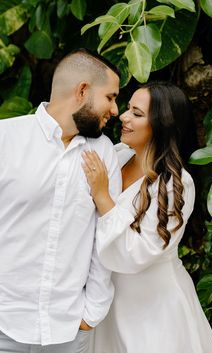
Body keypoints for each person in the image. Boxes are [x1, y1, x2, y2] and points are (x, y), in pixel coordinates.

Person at [82, 82, 212, 353]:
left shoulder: (176, 184)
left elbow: (139, 252)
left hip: (154, 308)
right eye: (127, 109)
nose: (123, 116)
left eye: (136, 113)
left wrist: (102, 197)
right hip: (111, 301)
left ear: (161, 124)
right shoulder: (118, 157)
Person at [0, 48, 122, 353]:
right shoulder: (6, 138)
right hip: (5, 324)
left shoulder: (105, 152)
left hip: (68, 331)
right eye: (110, 97)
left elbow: (102, 238)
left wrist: (90, 315)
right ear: (82, 90)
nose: (116, 110)